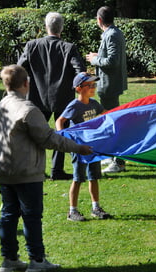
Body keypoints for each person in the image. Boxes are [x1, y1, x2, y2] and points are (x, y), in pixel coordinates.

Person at [0, 65, 93, 272]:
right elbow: (49, 139)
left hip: (4, 169)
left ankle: (9, 260)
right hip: (26, 171)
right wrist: (78, 148)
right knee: (31, 216)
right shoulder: (29, 109)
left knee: (9, 214)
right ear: (27, 84)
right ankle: (37, 261)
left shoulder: (1, 105)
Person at [17, 12, 87, 180]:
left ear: (46, 27)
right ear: (61, 28)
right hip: (62, 98)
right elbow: (80, 71)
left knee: (33, 133)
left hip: (37, 97)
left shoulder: (32, 45)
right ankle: (57, 169)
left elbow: (18, 68)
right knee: (60, 133)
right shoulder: (69, 48)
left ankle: (32, 167)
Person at [56, 72, 112, 222]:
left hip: (92, 147)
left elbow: (106, 115)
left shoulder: (94, 103)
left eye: (94, 85)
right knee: (78, 178)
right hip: (79, 148)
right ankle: (72, 211)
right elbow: (60, 120)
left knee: (94, 177)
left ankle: (96, 208)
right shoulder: (75, 105)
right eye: (90, 85)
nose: (93, 88)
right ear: (79, 88)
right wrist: (62, 136)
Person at [86, 6, 128, 174]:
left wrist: (95, 59)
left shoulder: (112, 35)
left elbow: (112, 62)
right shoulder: (113, 33)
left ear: (99, 20)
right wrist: (98, 56)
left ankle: (119, 161)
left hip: (110, 86)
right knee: (108, 121)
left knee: (113, 124)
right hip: (108, 85)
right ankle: (111, 157)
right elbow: (111, 57)